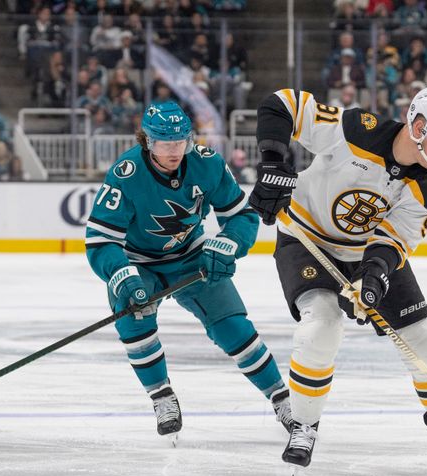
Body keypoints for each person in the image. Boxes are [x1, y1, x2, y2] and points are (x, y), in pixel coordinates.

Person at [247, 86, 427, 474]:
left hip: (366, 252)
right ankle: (304, 425)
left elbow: (395, 237)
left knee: (425, 340)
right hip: (306, 237)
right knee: (323, 326)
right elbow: (280, 103)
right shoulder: (355, 129)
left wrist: (374, 278)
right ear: (418, 125)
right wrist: (272, 162)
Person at [85, 101, 292, 443]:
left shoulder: (206, 163)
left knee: (234, 328)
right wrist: (122, 275)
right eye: (165, 144)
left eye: (180, 142)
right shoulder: (126, 174)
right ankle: (161, 396)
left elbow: (242, 216)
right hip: (140, 264)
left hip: (192, 257)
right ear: (147, 141)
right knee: (134, 324)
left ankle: (281, 397)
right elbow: (100, 240)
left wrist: (227, 243)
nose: (174, 151)